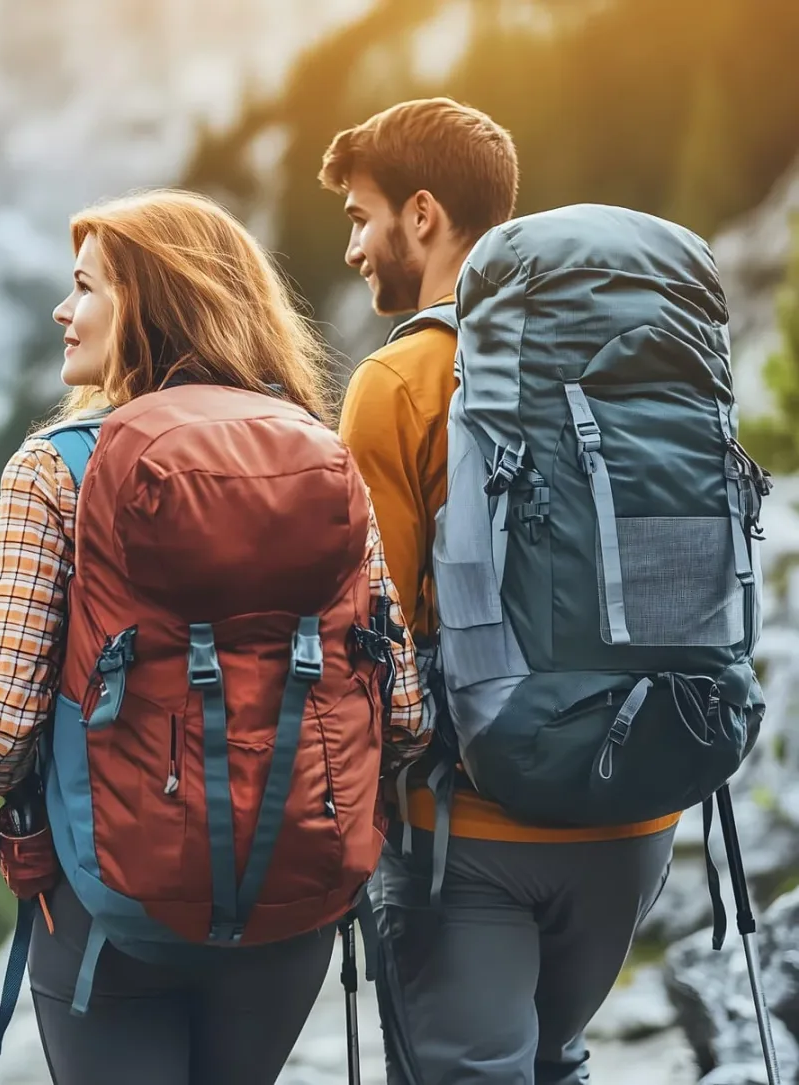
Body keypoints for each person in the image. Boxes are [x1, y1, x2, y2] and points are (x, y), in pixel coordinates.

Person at [0, 188, 429, 1085]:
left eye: (85, 288)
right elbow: (406, 707)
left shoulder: (53, 471)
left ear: (150, 302)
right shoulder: (318, 453)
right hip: (292, 898)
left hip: (112, 907)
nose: (63, 311)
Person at [319, 97, 680, 1084]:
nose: (355, 247)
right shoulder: (633, 357)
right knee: (555, 1061)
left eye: (362, 216)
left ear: (423, 213)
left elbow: (370, 630)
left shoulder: (401, 380)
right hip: (640, 806)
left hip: (469, 826)